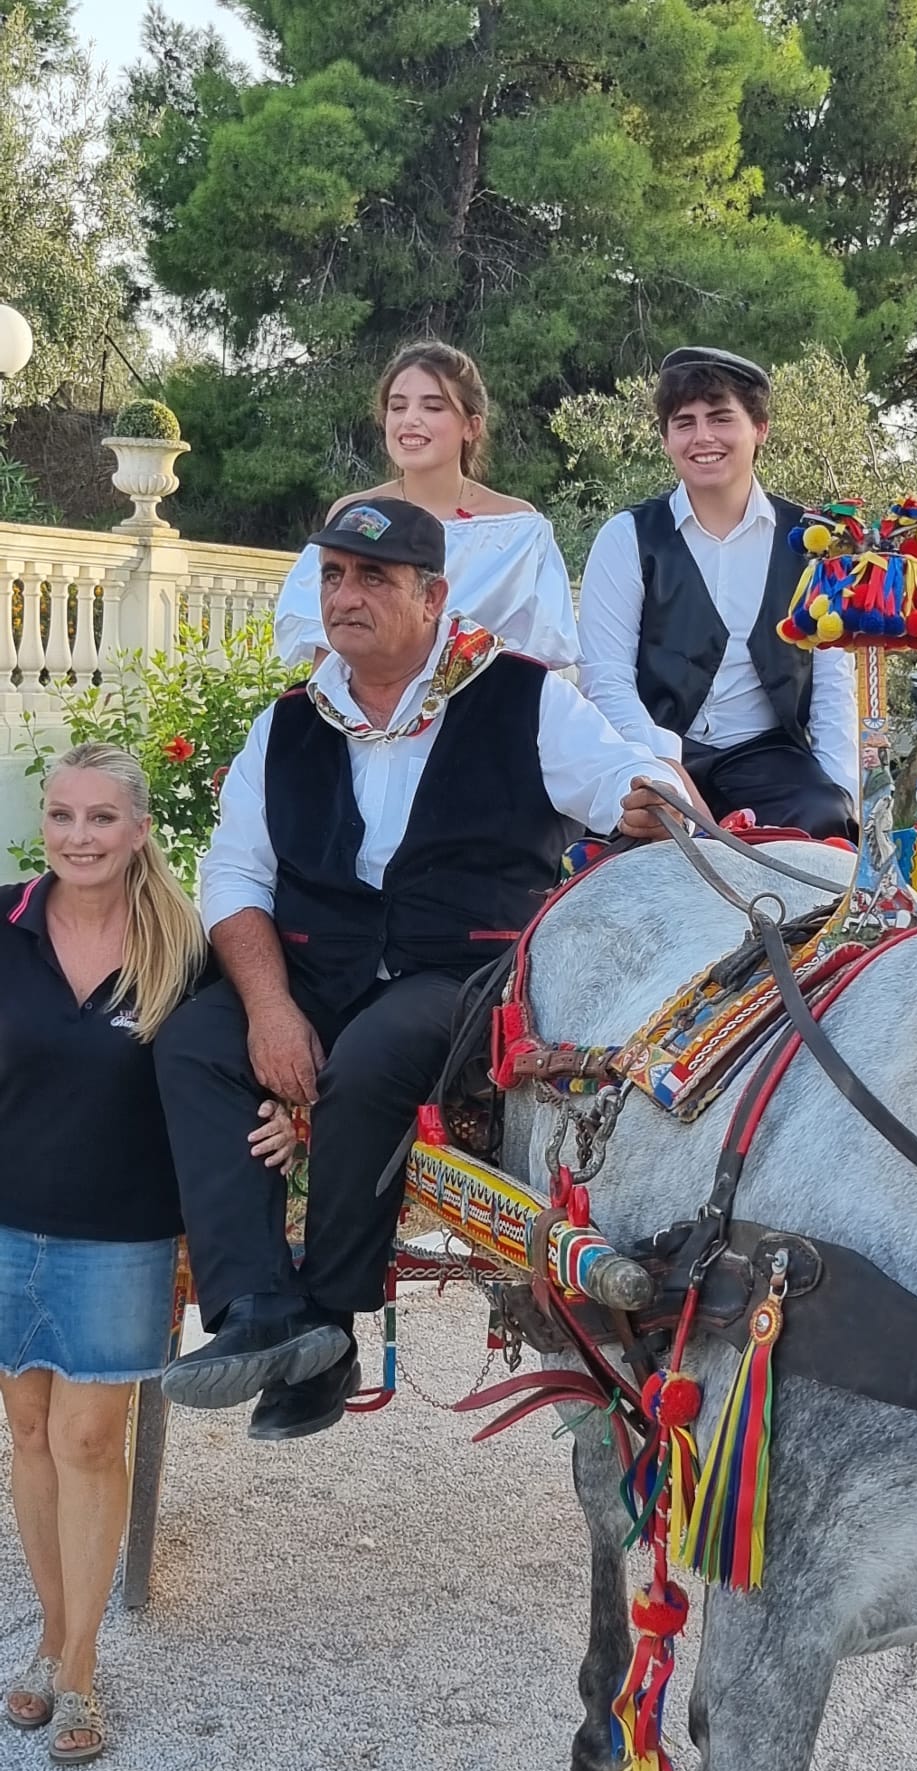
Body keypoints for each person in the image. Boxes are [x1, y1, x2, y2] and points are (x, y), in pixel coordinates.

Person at [155, 499, 704, 1441]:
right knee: (195, 1043)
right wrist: (270, 1007)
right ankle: (256, 1309)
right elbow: (236, 878)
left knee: (370, 1059)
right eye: (333, 576)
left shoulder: (522, 694)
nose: (345, 596)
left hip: (461, 975)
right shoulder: (285, 723)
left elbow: (615, 777)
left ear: (433, 596)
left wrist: (647, 797)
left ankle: (329, 1324)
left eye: (373, 578)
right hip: (316, 968)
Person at [0, 746, 294, 1764]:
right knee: (28, 1433)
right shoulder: (5, 925)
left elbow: (245, 1063)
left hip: (122, 1231)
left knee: (88, 1439)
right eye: (62, 815)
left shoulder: (187, 950)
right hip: (6, 1224)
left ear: (138, 830)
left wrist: (285, 1117)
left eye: (101, 818)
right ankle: (50, 1634)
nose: (78, 836)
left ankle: (80, 1667)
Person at [576, 346, 858, 840]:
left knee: (823, 823)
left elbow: (833, 689)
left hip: (769, 758)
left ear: (760, 429)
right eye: (684, 422)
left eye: (721, 418)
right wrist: (663, 768)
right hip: (651, 748)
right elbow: (606, 679)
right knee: (629, 852)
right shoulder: (626, 537)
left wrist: (843, 800)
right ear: (666, 439)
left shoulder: (815, 543)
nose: (702, 437)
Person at [273, 340, 579, 674]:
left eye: (432, 407)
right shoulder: (353, 516)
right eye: (398, 407)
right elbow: (329, 662)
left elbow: (537, 663)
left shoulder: (519, 532)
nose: (410, 420)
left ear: (471, 426)